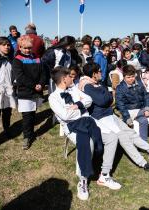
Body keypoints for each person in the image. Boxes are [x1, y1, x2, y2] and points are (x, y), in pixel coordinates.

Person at [80, 63, 149, 174]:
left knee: (130, 133)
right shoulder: (87, 86)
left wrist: (107, 96)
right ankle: (143, 163)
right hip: (101, 117)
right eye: (99, 71)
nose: (101, 72)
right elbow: (104, 100)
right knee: (124, 137)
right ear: (94, 74)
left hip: (109, 114)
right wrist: (107, 96)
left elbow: (109, 98)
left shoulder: (96, 83)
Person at [49, 67, 103, 200]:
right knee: (86, 143)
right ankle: (83, 179)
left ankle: (99, 166)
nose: (72, 78)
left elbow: (89, 100)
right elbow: (64, 115)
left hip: (86, 121)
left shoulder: (73, 89)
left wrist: (77, 104)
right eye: (69, 76)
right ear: (63, 79)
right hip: (71, 126)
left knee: (99, 139)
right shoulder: (53, 97)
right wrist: (80, 109)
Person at [115, 65, 149, 153]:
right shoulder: (120, 88)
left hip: (142, 109)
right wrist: (127, 118)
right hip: (131, 111)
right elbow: (121, 105)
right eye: (128, 77)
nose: (131, 79)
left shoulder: (138, 82)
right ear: (123, 77)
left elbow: (146, 96)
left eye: (132, 76)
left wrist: (147, 108)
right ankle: (145, 145)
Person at [12, 35, 46, 149]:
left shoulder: (37, 57)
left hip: (37, 91)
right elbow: (20, 77)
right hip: (25, 92)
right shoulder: (17, 60)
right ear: (20, 47)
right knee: (27, 116)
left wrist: (41, 84)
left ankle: (31, 134)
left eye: (29, 48)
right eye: (24, 48)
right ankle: (27, 137)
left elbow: (43, 72)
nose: (27, 50)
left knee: (33, 114)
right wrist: (33, 86)